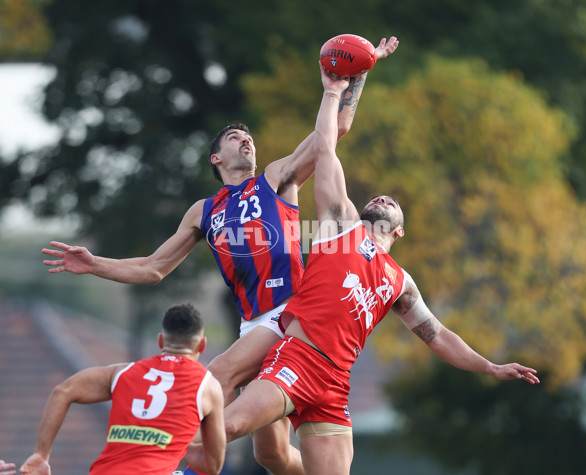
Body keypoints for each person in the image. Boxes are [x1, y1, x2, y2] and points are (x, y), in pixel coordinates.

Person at [41, 36, 399, 475]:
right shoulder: (204, 211)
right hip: (254, 324)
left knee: (218, 375)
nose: (245, 141)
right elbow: (153, 268)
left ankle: (172, 468)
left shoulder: (276, 180)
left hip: (290, 313)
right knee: (271, 455)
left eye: (248, 137)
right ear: (216, 157)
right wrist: (95, 264)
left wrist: (356, 75)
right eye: (235, 137)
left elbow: (333, 133)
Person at [184, 63, 541, 475]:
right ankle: (167, 465)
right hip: (298, 358)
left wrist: (490, 366)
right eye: (381, 198)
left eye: (393, 203)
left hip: (335, 384)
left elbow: (438, 336)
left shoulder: (401, 282)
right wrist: (336, 88)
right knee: (228, 425)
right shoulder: (341, 226)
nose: (385, 199)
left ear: (400, 230)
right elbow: (325, 146)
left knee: (277, 459)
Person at [20, 304, 225, 475]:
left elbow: (62, 392)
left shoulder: (122, 373)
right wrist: (178, 444)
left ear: (160, 341)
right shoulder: (208, 386)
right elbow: (213, 466)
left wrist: (41, 454)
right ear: (202, 345)